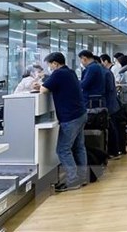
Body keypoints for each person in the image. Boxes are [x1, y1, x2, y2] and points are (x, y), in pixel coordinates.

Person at [40, 52, 88, 192]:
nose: (49, 67)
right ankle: (82, 177)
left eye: (50, 65)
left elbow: (43, 90)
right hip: (80, 113)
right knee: (79, 147)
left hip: (70, 117)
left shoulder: (58, 74)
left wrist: (42, 84)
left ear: (55, 63)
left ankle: (73, 180)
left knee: (63, 149)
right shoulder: (70, 72)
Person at [99, 55, 125, 158]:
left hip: (110, 105)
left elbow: (108, 88)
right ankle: (116, 150)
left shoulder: (106, 72)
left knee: (113, 127)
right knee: (114, 127)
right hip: (113, 104)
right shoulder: (107, 72)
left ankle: (114, 151)